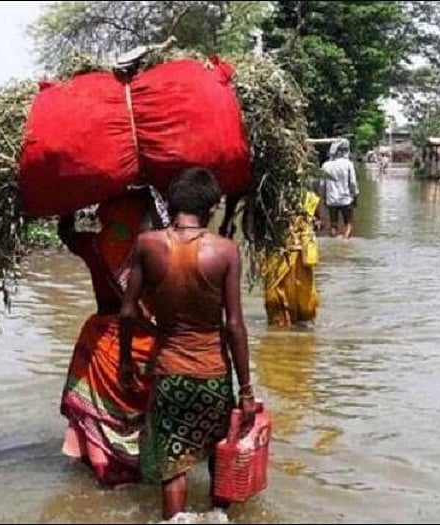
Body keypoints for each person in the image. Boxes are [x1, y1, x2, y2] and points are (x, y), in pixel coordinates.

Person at [118, 167, 256, 521]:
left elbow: (128, 311)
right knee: (219, 458)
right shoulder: (226, 251)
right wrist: (246, 390)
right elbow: (234, 326)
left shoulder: (148, 244)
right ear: (211, 208)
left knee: (173, 467)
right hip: (213, 375)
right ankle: (218, 517)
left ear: (170, 203)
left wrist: (125, 362)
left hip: (169, 375)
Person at [58, 188, 168, 487]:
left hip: (103, 342)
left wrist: (69, 199)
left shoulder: (94, 245)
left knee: (97, 415)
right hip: (147, 343)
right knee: (145, 416)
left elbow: (65, 232)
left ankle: (102, 469)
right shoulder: (159, 252)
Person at [261, 188, 320, 327]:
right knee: (275, 299)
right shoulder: (268, 197)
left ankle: (295, 339)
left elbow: (317, 222)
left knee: (304, 306)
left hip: (300, 256)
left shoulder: (308, 198)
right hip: (277, 255)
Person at [322, 139, 358, 238]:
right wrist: (355, 197)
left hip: (331, 200)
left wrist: (324, 198)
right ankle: (345, 244)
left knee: (333, 225)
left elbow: (322, 185)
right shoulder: (348, 164)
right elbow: (353, 183)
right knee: (348, 224)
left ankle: (333, 243)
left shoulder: (326, 165)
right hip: (346, 199)